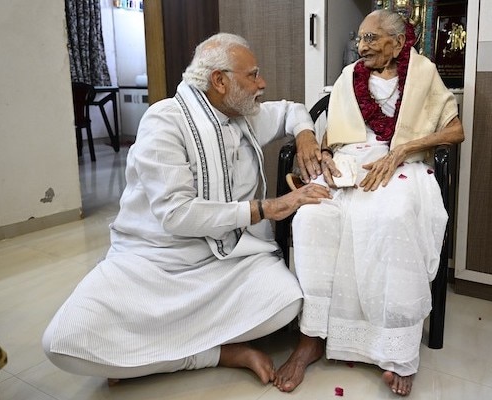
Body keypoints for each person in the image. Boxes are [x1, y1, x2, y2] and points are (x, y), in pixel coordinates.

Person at [42, 33, 331, 385]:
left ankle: (144, 354)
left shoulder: (245, 115)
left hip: (228, 260)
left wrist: (305, 135)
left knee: (287, 302)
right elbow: (177, 214)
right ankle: (217, 353)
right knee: (63, 342)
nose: (262, 83)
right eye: (253, 75)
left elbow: (291, 110)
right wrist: (265, 208)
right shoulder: (164, 122)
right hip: (155, 262)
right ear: (220, 81)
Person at [274, 10, 465, 396]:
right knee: (311, 217)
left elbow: (455, 130)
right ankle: (312, 336)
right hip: (349, 162)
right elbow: (331, 134)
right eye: (359, 39)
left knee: (392, 217)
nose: (361, 46)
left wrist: (402, 150)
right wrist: (325, 154)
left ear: (398, 42)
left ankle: (397, 349)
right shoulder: (349, 76)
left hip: (403, 163)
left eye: (371, 38)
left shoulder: (424, 72)